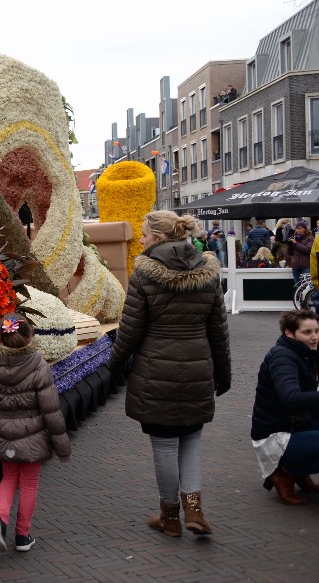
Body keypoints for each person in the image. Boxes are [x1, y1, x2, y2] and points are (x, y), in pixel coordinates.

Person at [107, 211, 230, 538]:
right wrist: (224, 372)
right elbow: (218, 330)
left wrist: (112, 366)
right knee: (191, 438)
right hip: (197, 368)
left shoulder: (144, 275)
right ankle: (195, 510)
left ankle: (170, 518)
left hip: (155, 371)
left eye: (145, 234)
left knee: (164, 445)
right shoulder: (209, 272)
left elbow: (130, 332)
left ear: (159, 238)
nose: (142, 239)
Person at [0, 313, 71, 553]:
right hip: (33, 437)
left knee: (8, 479)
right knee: (29, 483)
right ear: (30, 336)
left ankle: (0, 519)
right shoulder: (38, 365)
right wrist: (62, 446)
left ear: (2, 337)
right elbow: (51, 410)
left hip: (5, 433)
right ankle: (22, 536)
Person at [250, 309, 319, 505]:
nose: (314, 337)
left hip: (296, 424)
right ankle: (286, 473)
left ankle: (299, 471)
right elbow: (291, 398)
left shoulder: (307, 353)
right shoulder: (283, 358)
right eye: (307, 332)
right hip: (275, 435)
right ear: (289, 333)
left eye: (316, 331)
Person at [287, 220, 314, 288]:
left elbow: (308, 250)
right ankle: (299, 298)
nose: (298, 230)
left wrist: (296, 244)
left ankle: (308, 298)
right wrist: (290, 245)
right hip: (295, 267)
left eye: (300, 228)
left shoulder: (310, 238)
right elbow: (290, 253)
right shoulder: (294, 237)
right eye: (297, 228)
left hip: (306, 266)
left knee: (308, 287)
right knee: (298, 288)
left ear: (305, 229)